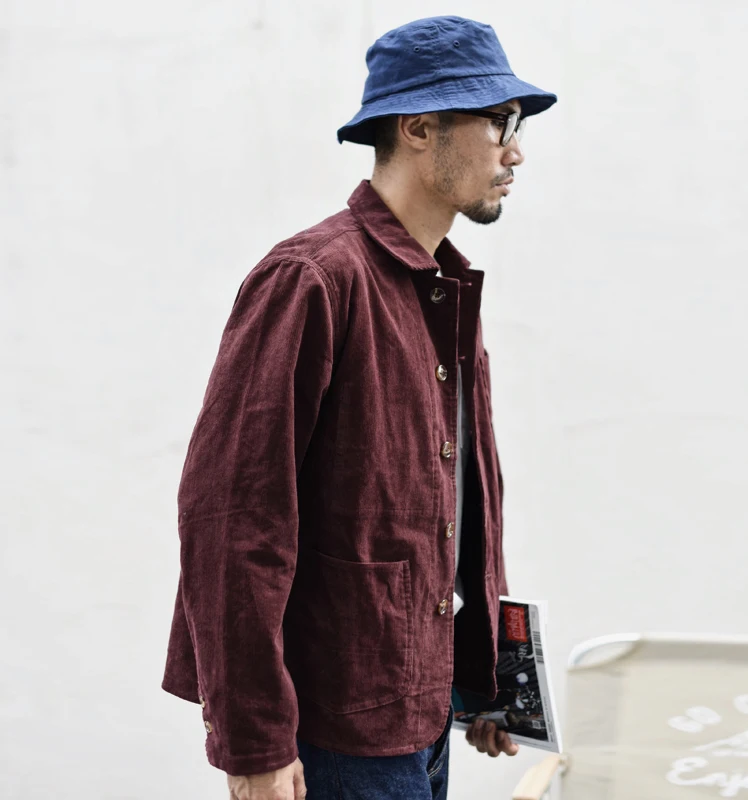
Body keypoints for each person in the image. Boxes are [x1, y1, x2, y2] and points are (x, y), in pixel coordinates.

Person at [161, 14, 556, 800]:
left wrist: (487, 679)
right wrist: (253, 744)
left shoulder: (444, 289)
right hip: (337, 736)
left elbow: (457, 508)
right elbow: (233, 520)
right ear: (419, 128)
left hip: (423, 713)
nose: (515, 151)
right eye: (499, 122)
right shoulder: (313, 278)